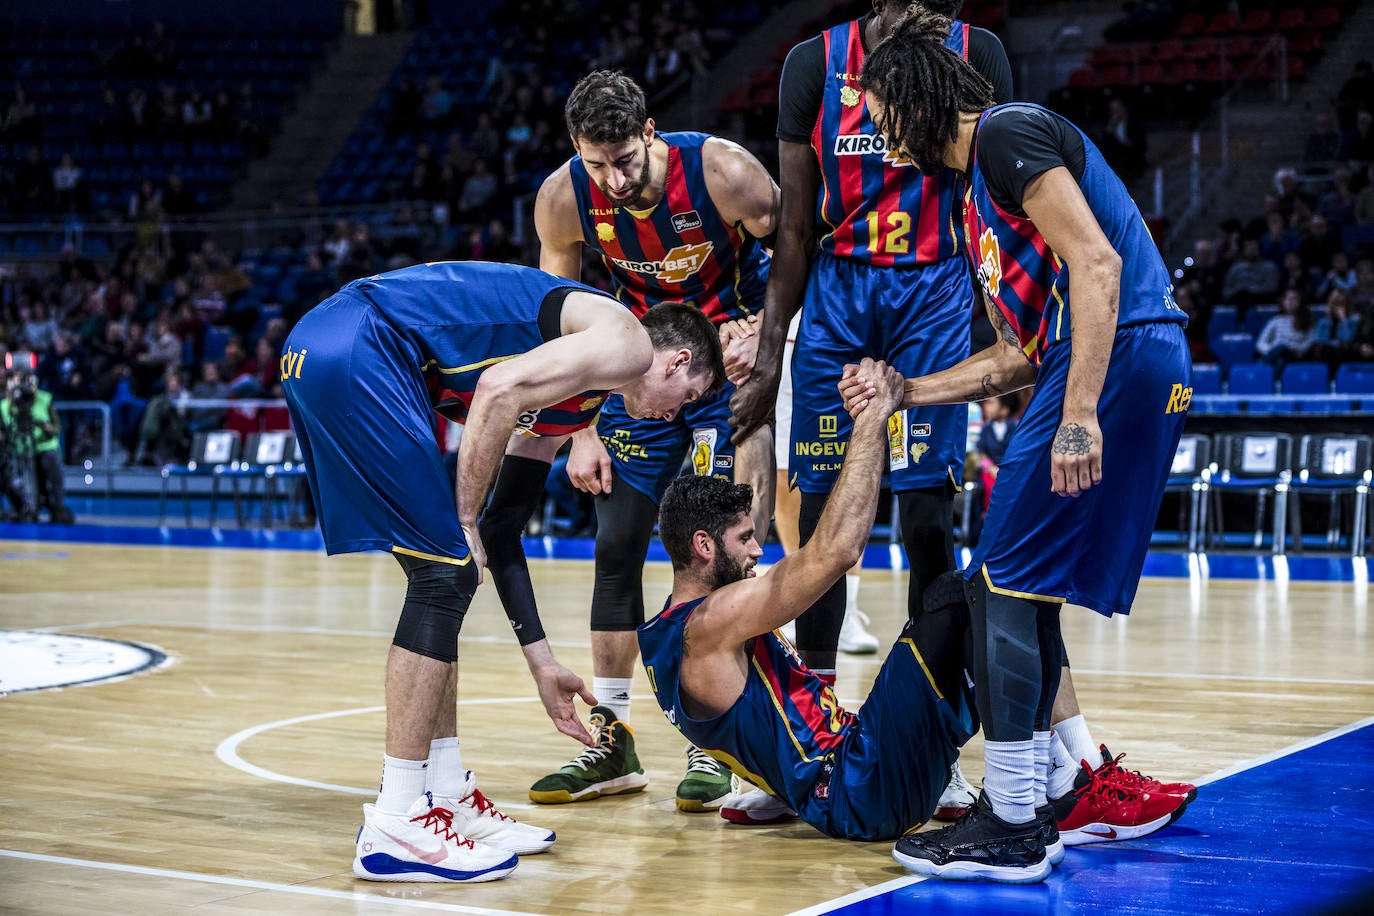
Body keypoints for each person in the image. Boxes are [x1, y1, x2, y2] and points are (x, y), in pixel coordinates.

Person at [855, 8, 1194, 882]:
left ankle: (1010, 821)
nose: (880, 135)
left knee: (998, 587)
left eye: (882, 113)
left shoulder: (1008, 134)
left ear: (917, 97)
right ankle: (1035, 800)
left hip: (1116, 354)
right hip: (1112, 358)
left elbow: (1100, 266)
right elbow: (1016, 352)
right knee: (1019, 585)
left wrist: (1079, 410)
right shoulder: (979, 196)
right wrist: (907, 389)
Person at [280, 260, 724, 883]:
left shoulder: (574, 399)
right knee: (445, 571)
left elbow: (502, 530)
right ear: (676, 363)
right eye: (690, 397)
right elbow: (494, 389)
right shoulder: (625, 340)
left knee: (443, 576)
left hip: (336, 344)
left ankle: (444, 795)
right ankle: (396, 820)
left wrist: (543, 664)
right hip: (360, 339)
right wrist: (462, 517)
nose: (678, 413)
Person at [726, 0, 1011, 825]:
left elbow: (999, 196)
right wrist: (773, 352)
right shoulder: (812, 64)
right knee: (819, 525)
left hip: (935, 289)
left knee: (927, 521)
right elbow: (791, 233)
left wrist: (1004, 332)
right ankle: (806, 741)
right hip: (842, 293)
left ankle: (932, 751)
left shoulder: (977, 49)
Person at [523, 69, 778, 813]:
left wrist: (766, 332)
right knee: (615, 546)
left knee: (718, 552)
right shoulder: (563, 198)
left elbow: (804, 249)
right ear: (577, 149)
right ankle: (613, 743)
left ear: (650, 134)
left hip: (726, 369)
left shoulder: (724, 172)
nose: (614, 179)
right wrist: (580, 427)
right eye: (597, 164)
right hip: (637, 369)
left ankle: (718, 740)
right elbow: (559, 321)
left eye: (626, 161)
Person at [639, 358, 988, 844]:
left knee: (993, 597)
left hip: (850, 780)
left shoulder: (671, 634)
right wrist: (872, 420)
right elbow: (839, 550)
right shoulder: (711, 622)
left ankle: (1026, 771)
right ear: (704, 546)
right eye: (744, 539)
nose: (758, 548)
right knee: (971, 595)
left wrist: (755, 394)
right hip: (858, 787)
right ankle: (1032, 786)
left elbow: (758, 497)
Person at [1, 359, 74, 524]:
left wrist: (47, 428)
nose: (22, 385)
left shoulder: (44, 399)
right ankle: (20, 507)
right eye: (18, 379)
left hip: (43, 447)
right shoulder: (4, 405)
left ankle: (58, 507)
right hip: (16, 449)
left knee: (51, 463)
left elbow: (57, 428)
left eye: (25, 379)